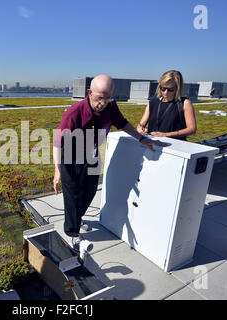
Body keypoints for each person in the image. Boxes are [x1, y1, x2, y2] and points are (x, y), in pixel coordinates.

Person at [52, 74, 165, 252]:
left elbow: (123, 124)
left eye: (108, 98)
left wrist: (142, 139)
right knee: (73, 195)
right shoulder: (75, 112)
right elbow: (58, 143)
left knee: (89, 191)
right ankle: (72, 234)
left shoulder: (111, 107)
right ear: (89, 92)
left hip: (91, 153)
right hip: (71, 156)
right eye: (99, 98)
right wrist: (57, 170)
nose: (103, 103)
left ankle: (77, 218)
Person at [137, 70, 197, 141]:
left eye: (170, 89)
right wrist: (140, 128)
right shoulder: (152, 103)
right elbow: (141, 124)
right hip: (153, 145)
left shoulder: (185, 103)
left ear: (178, 88)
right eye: (163, 88)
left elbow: (192, 129)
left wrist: (166, 135)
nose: (165, 92)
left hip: (176, 147)